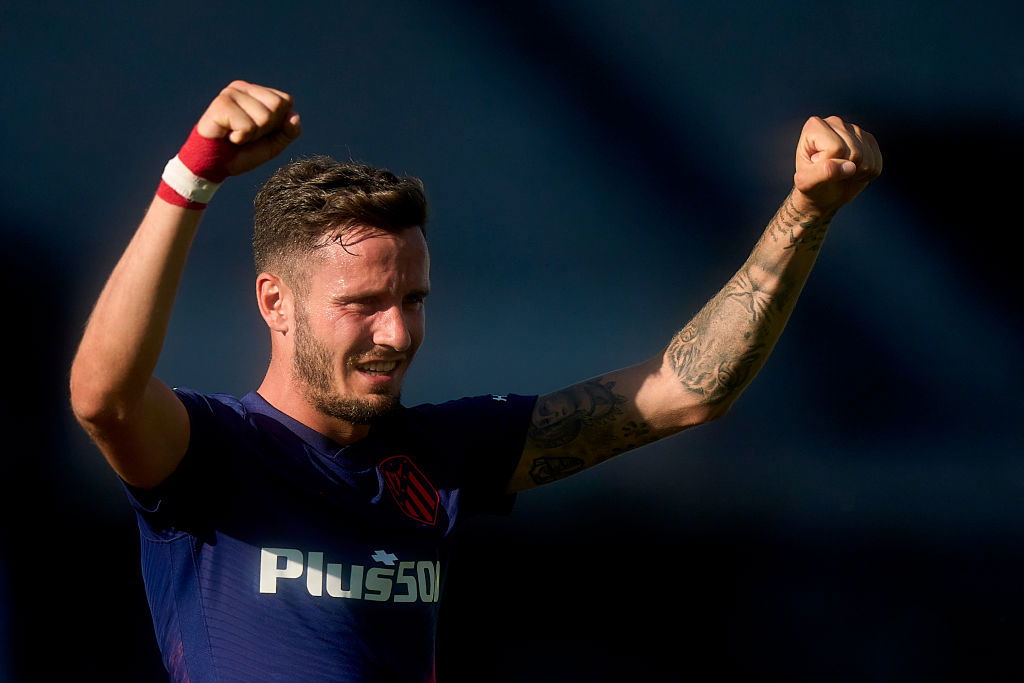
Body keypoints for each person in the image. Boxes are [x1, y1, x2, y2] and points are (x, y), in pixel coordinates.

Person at [69, 80, 881, 682]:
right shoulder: (212, 454)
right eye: (362, 304)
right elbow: (102, 396)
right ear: (274, 303)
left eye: (412, 300)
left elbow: (687, 388)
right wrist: (192, 175)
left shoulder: (446, 450)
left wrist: (806, 212)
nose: (397, 333)